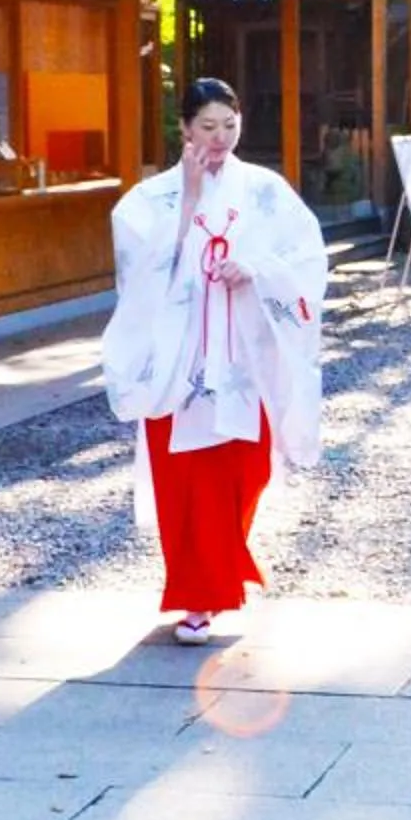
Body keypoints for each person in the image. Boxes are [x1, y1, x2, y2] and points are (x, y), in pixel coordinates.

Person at [100, 78, 329, 645]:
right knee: (187, 485)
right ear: (184, 128)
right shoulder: (151, 200)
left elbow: (305, 258)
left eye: (230, 125)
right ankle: (199, 598)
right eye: (207, 126)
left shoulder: (265, 190)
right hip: (178, 368)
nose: (220, 137)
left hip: (243, 361)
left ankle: (224, 568)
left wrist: (256, 269)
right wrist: (189, 203)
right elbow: (138, 275)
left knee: (246, 472)